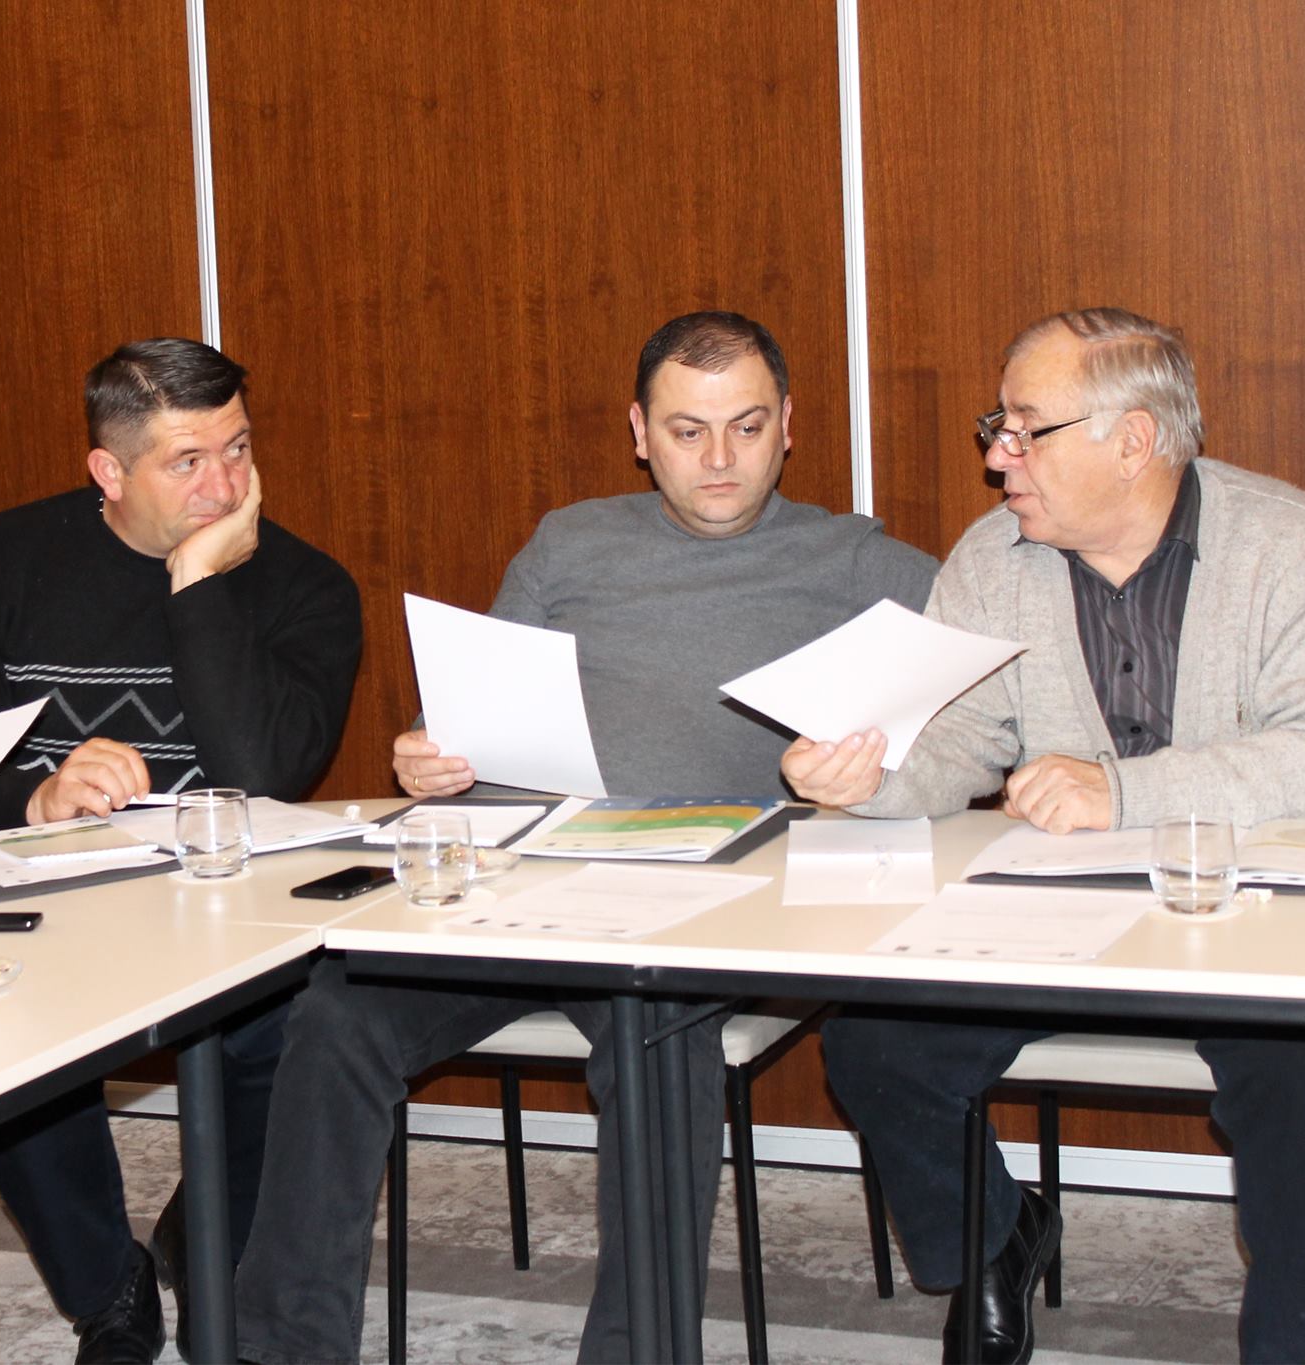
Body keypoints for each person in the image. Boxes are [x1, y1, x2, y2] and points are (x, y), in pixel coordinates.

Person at [235, 311, 938, 1363]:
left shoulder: (850, 558)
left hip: (706, 903)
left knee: (654, 1041)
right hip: (527, 876)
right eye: (687, 430)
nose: (718, 457)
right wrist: (433, 753)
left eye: (746, 427)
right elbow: (476, 712)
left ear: (788, 426)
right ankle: (282, 1350)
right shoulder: (570, 542)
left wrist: (877, 773)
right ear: (639, 433)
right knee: (336, 1017)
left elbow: (982, 687)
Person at [783, 307, 1305, 1363]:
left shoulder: (1285, 548)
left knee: (1299, 1089)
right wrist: (864, 776)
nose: (996, 457)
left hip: (1246, 924)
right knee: (873, 1043)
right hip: (1058, 917)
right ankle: (995, 1236)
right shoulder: (993, 559)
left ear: (1132, 441)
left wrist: (1121, 791)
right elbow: (956, 741)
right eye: (999, 426)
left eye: (1026, 429)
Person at [0, 337, 361, 1361]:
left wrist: (196, 583)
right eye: (186, 462)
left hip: (233, 919)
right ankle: (107, 1291)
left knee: (306, 1026)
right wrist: (37, 795)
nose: (224, 486)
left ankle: (208, 1246)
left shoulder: (303, 585)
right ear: (108, 470)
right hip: (49, 914)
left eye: (237, 449)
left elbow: (262, 772)